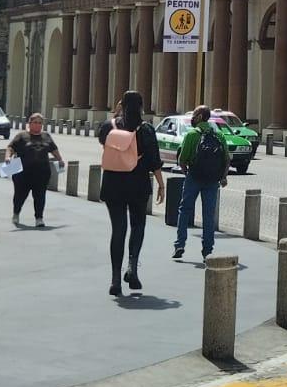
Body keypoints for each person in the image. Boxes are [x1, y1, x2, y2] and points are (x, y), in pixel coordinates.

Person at [97, 89, 164, 296]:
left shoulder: (110, 126)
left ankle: (115, 279)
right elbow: (154, 159)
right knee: (138, 226)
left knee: (118, 230)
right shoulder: (146, 129)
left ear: (122, 105)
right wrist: (161, 184)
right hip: (137, 183)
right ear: (142, 107)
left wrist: (114, 113)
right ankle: (132, 269)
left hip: (112, 183)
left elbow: (102, 139)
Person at [173, 106, 230, 262]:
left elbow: (182, 160)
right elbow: (226, 159)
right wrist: (223, 177)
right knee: (208, 215)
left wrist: (187, 174)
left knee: (184, 210)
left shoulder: (192, 135)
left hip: (194, 177)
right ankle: (207, 249)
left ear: (199, 116)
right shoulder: (219, 135)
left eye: (194, 114)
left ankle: (180, 244)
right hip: (212, 180)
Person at [6, 113, 64, 227]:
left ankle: (39, 218)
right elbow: (11, 147)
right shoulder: (22, 136)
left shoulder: (46, 136)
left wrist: (60, 159)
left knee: (40, 195)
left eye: (40, 123)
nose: (38, 125)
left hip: (42, 172)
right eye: (35, 122)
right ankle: (16, 213)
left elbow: (54, 149)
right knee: (20, 195)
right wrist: (8, 157)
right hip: (23, 173)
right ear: (30, 123)